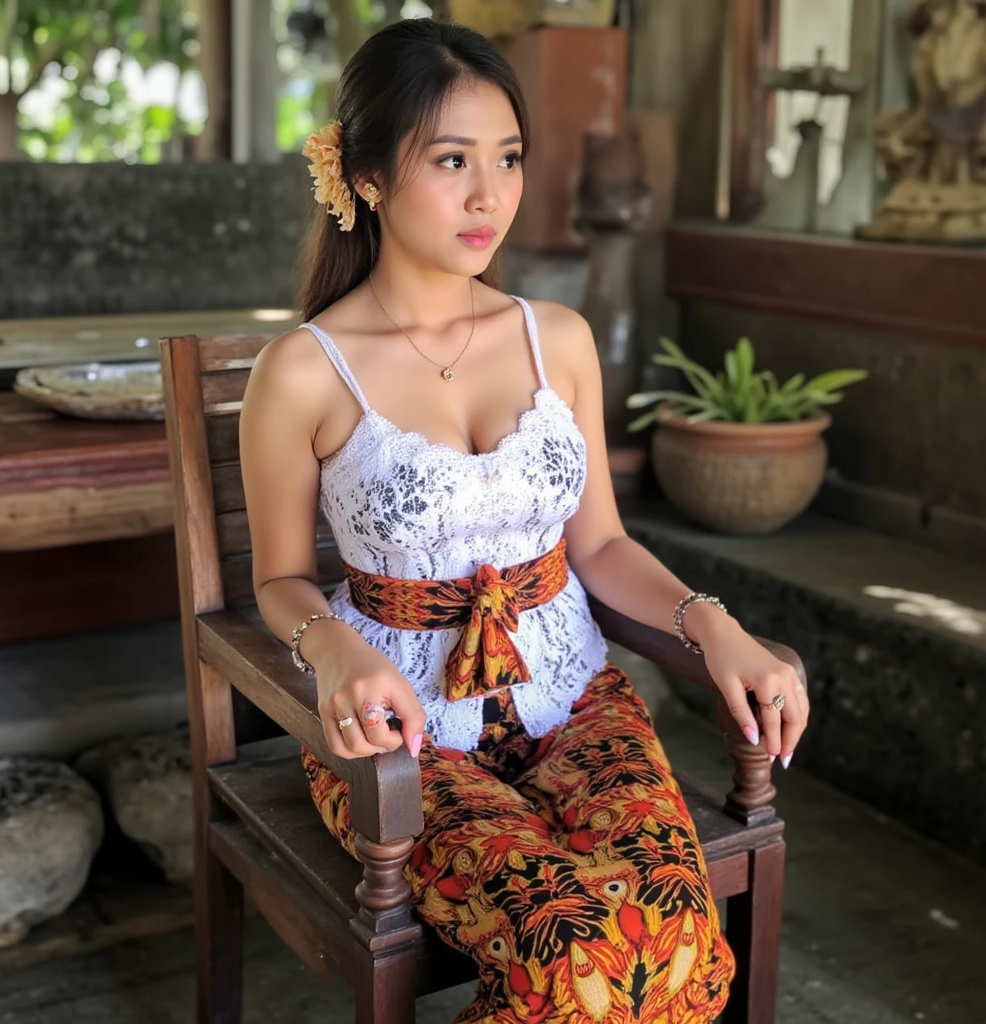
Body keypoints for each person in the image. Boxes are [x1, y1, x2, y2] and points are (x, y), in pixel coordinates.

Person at [239, 17, 809, 1023]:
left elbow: (597, 545)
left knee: (673, 927)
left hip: (575, 701)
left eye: (505, 157)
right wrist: (330, 649)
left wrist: (711, 623)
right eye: (450, 160)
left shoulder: (558, 339)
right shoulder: (302, 370)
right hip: (399, 739)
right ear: (363, 175)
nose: (488, 194)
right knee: (582, 948)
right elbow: (278, 575)